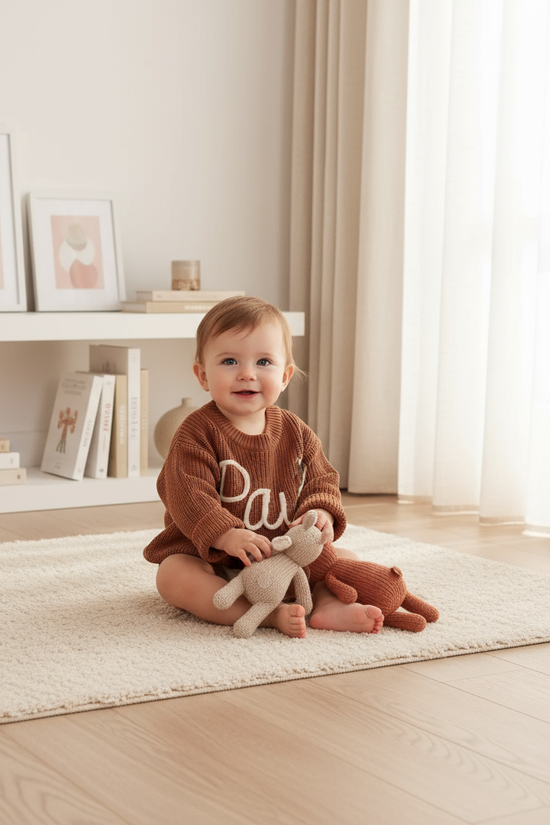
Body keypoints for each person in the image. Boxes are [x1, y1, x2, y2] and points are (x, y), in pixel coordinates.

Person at [144, 296, 383, 638]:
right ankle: (264, 615)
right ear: (202, 375)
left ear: (285, 376)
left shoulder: (295, 431)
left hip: (283, 560)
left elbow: (322, 479)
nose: (246, 373)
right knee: (172, 575)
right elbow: (186, 493)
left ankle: (329, 606)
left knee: (345, 558)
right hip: (214, 563)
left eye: (264, 362)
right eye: (229, 361)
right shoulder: (196, 433)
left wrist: (322, 514)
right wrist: (225, 535)